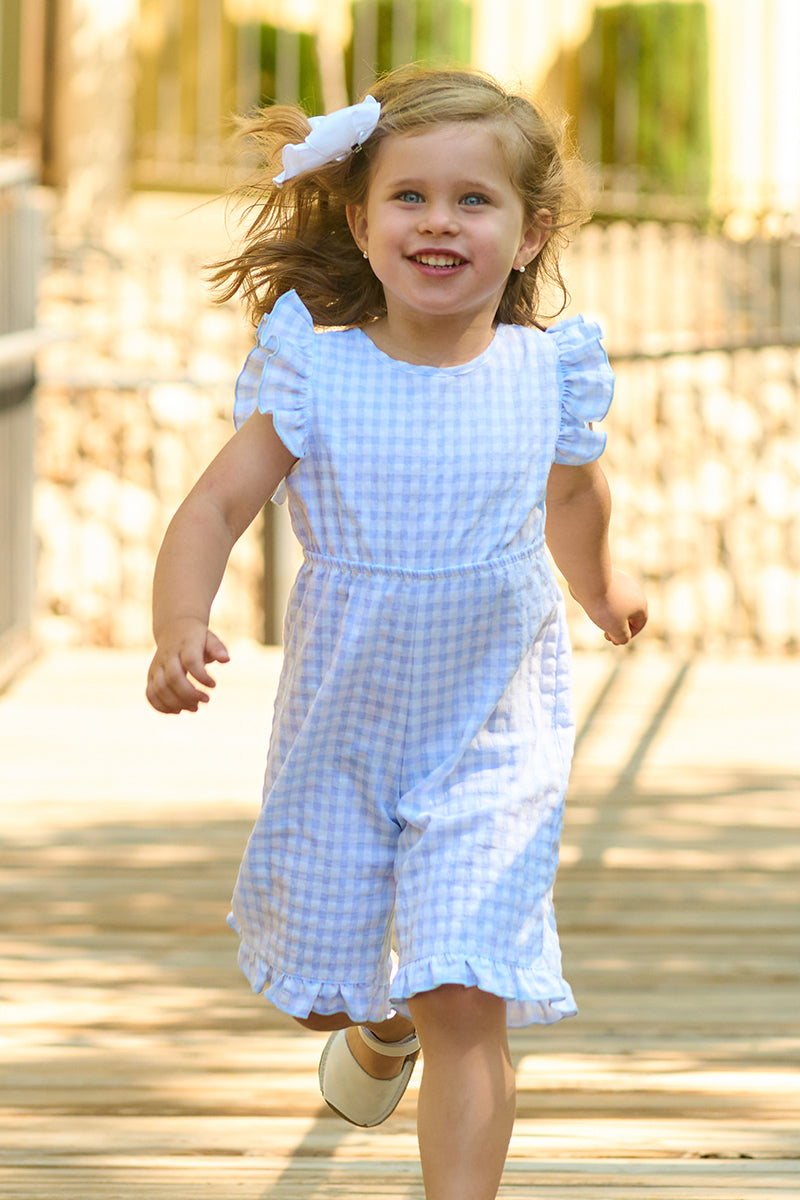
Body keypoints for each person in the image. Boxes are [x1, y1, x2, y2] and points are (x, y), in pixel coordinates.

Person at [146, 65, 647, 1200]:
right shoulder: (314, 370)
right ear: (362, 222)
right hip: (347, 728)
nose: (439, 220)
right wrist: (181, 620)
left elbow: (572, 500)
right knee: (337, 987)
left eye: (473, 200)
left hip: (494, 729)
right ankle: (377, 1029)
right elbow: (216, 507)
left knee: (466, 988)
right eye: (409, 197)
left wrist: (601, 590)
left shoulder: (542, 371)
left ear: (529, 235)